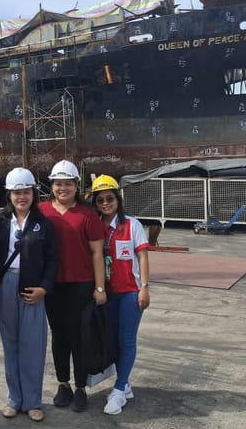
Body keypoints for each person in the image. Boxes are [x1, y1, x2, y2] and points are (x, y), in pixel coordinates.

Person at [0, 167, 58, 423]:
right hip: (6, 285)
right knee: (11, 344)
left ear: (33, 193)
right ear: (9, 194)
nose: (22, 197)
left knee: (33, 346)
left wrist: (44, 288)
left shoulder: (44, 224)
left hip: (34, 288)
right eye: (17, 192)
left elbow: (52, 260)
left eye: (26, 192)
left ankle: (32, 401)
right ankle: (13, 399)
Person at [38, 160, 106, 413]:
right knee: (59, 336)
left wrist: (100, 288)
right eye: (58, 184)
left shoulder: (87, 214)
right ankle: (63, 384)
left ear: (76, 186)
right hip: (53, 285)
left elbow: (97, 252)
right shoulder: (42, 210)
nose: (62, 188)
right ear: (52, 185)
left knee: (79, 337)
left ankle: (80, 387)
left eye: (68, 184)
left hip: (81, 284)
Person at [91, 174, 150, 415]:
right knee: (112, 340)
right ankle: (124, 383)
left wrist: (144, 287)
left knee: (126, 340)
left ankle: (118, 390)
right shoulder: (95, 227)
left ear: (118, 199)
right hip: (106, 294)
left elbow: (143, 256)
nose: (105, 204)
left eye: (110, 199)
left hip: (129, 293)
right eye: (100, 200)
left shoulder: (131, 225)